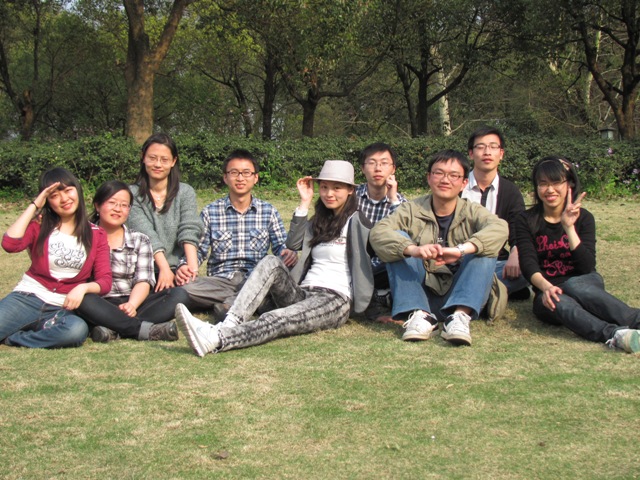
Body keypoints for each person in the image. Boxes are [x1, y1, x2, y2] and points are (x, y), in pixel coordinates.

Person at [174, 160, 374, 357]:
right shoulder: (319, 222)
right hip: (302, 292)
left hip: (334, 298)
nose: (329, 193)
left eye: (337, 188)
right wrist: (304, 202)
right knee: (271, 261)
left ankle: (218, 339)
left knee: (277, 318)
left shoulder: (358, 221)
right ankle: (229, 323)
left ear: (350, 190)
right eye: (324, 187)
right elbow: (293, 244)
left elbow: (376, 249)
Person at [370, 150, 508, 346]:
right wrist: (413, 250)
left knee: (484, 247)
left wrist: (461, 250)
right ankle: (420, 315)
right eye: (439, 173)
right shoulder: (411, 209)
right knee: (398, 240)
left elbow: (500, 228)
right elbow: (379, 232)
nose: (445, 180)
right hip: (422, 292)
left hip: (463, 292)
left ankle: (459, 317)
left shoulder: (472, 210)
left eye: (453, 175)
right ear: (429, 177)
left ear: (464, 183)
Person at [515, 156, 640, 353]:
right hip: (548, 289)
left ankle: (636, 320)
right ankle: (616, 335)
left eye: (556, 183)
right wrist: (547, 288)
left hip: (584, 283)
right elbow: (528, 263)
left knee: (574, 285)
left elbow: (587, 266)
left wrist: (569, 228)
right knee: (559, 299)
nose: (550, 190)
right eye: (543, 184)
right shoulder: (525, 219)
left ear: (569, 184)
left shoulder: (585, 218)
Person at [0, 168, 111, 348]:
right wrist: (34, 205)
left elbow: (105, 281)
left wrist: (83, 288)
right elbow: (10, 244)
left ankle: (13, 338)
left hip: (62, 307)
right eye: (54, 195)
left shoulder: (96, 234)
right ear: (47, 201)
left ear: (78, 190)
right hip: (27, 298)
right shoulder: (39, 225)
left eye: (68, 190)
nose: (64, 199)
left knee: (75, 331)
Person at [179, 149, 297, 319]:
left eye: (246, 173)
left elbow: (280, 247)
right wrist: (185, 266)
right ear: (225, 177)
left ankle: (228, 305)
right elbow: (199, 251)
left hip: (256, 279)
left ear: (255, 177)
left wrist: (288, 252)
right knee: (185, 288)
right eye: (234, 173)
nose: (240, 178)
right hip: (221, 281)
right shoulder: (210, 212)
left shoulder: (268, 211)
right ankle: (244, 302)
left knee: (274, 283)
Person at [75, 181, 189, 342]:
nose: (118, 209)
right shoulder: (81, 237)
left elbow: (144, 280)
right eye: (112, 203)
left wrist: (132, 305)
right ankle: (138, 329)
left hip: (134, 300)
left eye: (124, 205)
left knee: (178, 294)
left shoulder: (140, 239)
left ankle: (112, 328)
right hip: (100, 302)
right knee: (84, 299)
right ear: (97, 206)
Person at [127, 133, 202, 292]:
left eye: (164, 160)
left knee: (186, 294)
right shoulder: (131, 194)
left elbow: (189, 229)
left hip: (177, 267)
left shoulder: (185, 192)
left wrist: (191, 269)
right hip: (143, 270)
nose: (158, 164)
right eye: (152, 158)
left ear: (173, 161)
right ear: (143, 157)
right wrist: (164, 269)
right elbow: (146, 234)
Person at [462, 126, 530, 300]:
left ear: (501, 154)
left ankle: (468, 289)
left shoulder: (510, 191)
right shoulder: (457, 186)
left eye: (493, 147)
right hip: (460, 260)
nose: (487, 152)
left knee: (529, 266)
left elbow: (518, 228)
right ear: (471, 153)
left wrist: (515, 253)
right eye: (480, 147)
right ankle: (493, 290)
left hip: (496, 261)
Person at [355, 143, 408, 320]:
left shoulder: (401, 204)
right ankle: (380, 295)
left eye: (384, 163)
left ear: (393, 169)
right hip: (354, 265)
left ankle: (380, 294)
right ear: (363, 168)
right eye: (372, 163)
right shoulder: (350, 197)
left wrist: (393, 200)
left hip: (384, 267)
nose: (378, 168)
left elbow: (405, 238)